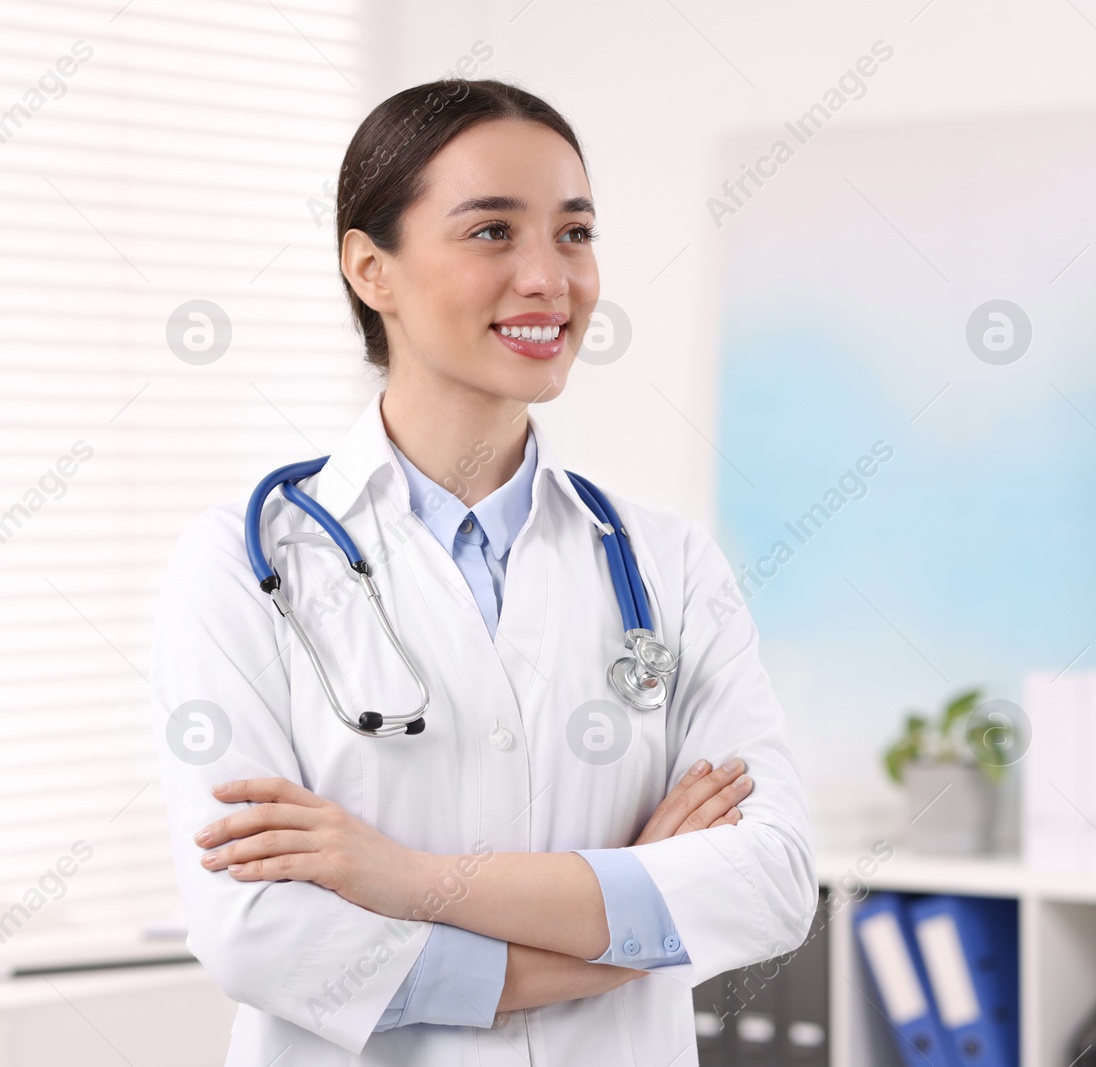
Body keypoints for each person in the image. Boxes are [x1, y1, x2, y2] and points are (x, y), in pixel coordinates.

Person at [148, 78, 816, 1066]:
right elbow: (261, 935)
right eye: (493, 232)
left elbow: (770, 881)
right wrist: (631, 916)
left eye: (574, 233)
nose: (549, 277)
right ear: (371, 267)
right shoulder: (243, 566)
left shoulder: (666, 564)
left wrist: (405, 877)